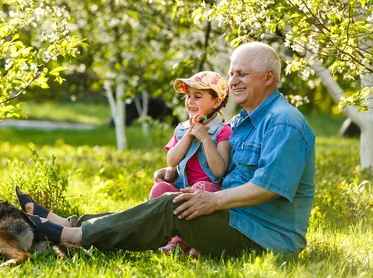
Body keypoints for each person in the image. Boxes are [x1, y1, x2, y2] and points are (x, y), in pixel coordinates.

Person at [17, 42, 316, 257]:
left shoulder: (285, 123)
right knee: (161, 204)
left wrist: (211, 203)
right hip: (236, 220)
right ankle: (68, 224)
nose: (233, 81)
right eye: (231, 73)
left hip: (264, 237)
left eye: (242, 73)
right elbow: (219, 171)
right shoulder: (240, 123)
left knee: (169, 207)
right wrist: (176, 171)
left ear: (268, 78)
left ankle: (72, 236)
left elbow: (268, 188)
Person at [150, 71, 232, 255]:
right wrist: (189, 135)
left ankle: (188, 241)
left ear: (216, 102)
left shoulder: (223, 131)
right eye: (188, 96)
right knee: (160, 189)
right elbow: (171, 160)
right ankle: (161, 237)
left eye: (197, 96)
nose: (190, 101)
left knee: (200, 187)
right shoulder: (181, 129)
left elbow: (219, 170)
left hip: (209, 193)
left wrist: (205, 139)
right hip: (183, 188)